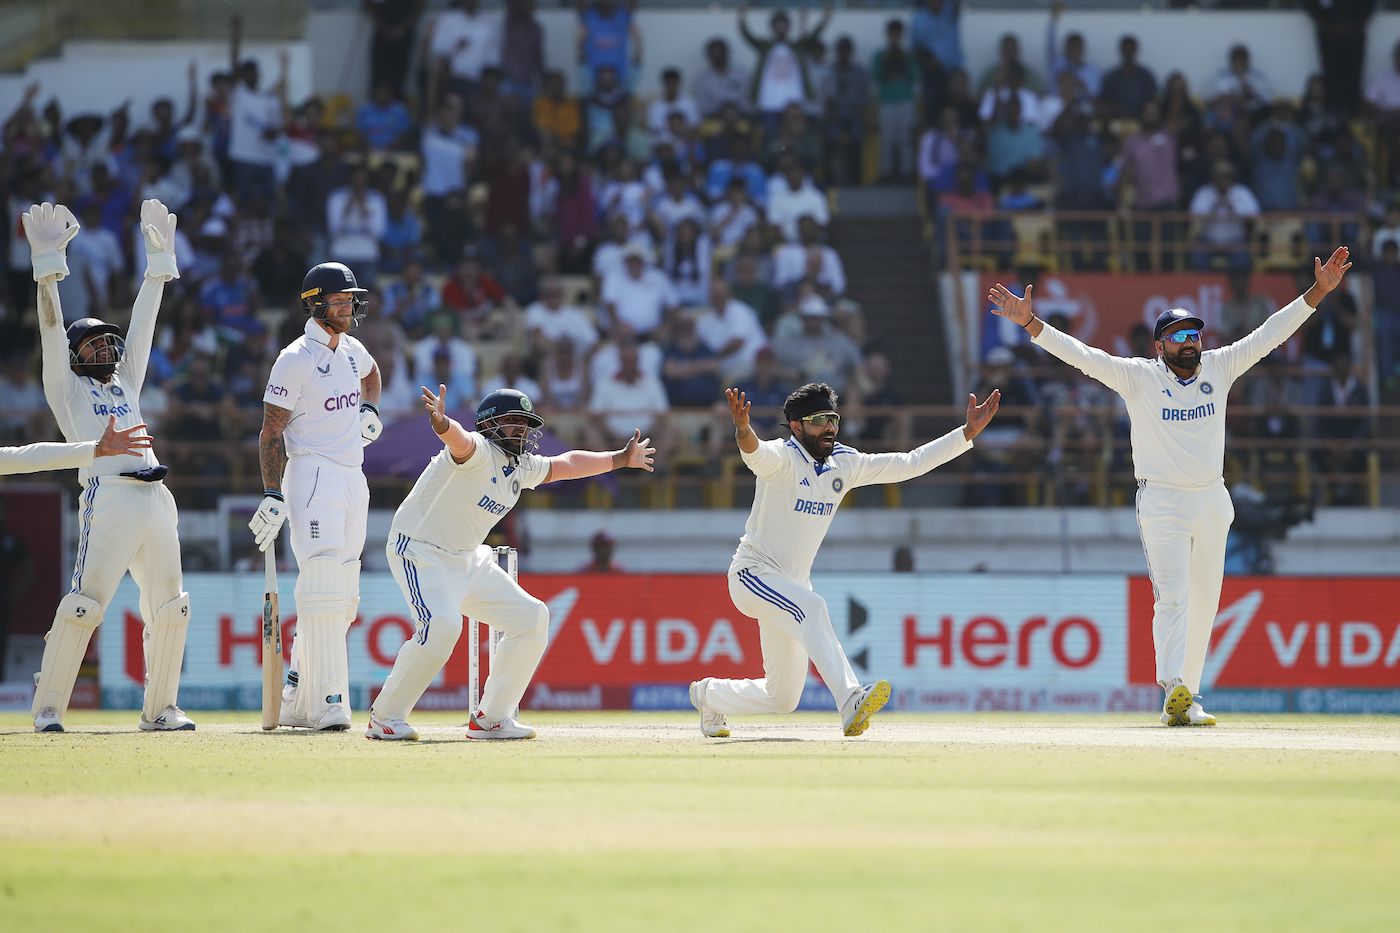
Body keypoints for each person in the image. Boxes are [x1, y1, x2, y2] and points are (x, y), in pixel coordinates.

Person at [987, 245, 1353, 727]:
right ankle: (1172, 687)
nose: (1190, 342)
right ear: (1160, 345)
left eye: (1194, 334)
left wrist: (1317, 292)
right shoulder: (1138, 377)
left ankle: (1190, 698)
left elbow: (1269, 334)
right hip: (1161, 500)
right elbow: (1083, 357)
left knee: (1205, 600)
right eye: (1179, 336)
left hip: (1212, 498)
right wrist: (1032, 326)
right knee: (1174, 595)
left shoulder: (1220, 367)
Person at [690, 382, 1000, 738]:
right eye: (820, 420)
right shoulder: (783, 458)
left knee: (782, 697)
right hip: (752, 576)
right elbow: (755, 453)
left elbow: (909, 463)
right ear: (796, 426)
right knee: (813, 607)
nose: (830, 427)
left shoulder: (845, 463)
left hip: (791, 588)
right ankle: (851, 698)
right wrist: (743, 428)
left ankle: (709, 695)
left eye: (833, 419)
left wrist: (966, 433)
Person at [366, 385, 655, 741]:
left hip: (469, 557)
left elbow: (566, 464)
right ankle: (386, 716)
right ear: (488, 425)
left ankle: (492, 719)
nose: (520, 429)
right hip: (421, 551)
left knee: (531, 618)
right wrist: (441, 423)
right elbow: (459, 441)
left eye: (525, 423)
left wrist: (620, 459)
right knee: (442, 626)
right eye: (512, 422)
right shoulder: (478, 452)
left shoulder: (522, 467)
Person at [22, 200, 193, 733]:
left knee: (171, 606)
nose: (107, 348)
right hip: (110, 495)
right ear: (76, 354)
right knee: (84, 604)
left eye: (107, 341)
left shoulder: (125, 382)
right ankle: (48, 709)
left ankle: (161, 709)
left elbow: (144, 326)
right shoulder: (66, 390)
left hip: (154, 495)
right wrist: (47, 268)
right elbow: (51, 332)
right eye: (94, 342)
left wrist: (157, 267)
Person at [249, 261, 384, 732]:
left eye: (351, 299)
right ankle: (330, 703)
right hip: (311, 475)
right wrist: (271, 491)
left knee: (343, 597)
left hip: (353, 475)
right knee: (322, 580)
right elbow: (270, 431)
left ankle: (295, 692)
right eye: (340, 300)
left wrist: (369, 408)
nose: (349, 306)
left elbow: (373, 375)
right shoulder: (294, 358)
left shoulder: (351, 349)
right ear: (315, 304)